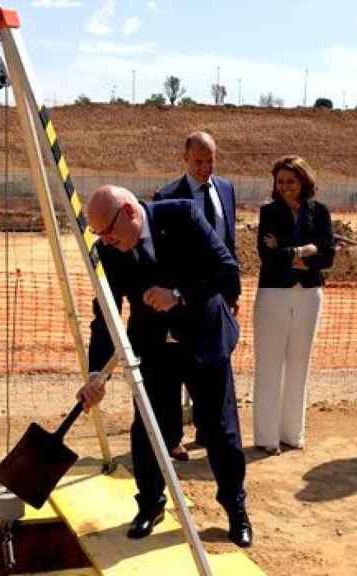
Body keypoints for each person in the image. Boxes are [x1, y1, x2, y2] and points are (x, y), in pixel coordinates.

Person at [77, 185, 252, 548]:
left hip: (204, 336)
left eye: (109, 231)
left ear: (128, 212)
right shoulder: (107, 252)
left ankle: (235, 508)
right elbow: (104, 317)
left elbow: (228, 274)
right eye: (99, 235)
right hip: (154, 348)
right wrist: (96, 374)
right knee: (152, 430)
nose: (106, 241)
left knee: (219, 430)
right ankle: (151, 504)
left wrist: (179, 296)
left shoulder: (183, 216)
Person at [153, 131, 239, 462]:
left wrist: (233, 291)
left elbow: (228, 244)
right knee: (177, 365)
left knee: (215, 360)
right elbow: (162, 254)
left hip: (216, 296)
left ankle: (209, 428)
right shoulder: (168, 195)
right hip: (181, 297)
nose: (205, 167)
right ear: (185, 159)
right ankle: (173, 437)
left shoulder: (226, 190)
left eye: (210, 161)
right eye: (199, 161)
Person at [252, 156, 335, 455]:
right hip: (274, 293)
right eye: (280, 181)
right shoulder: (269, 212)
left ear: (303, 181)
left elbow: (328, 257)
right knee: (269, 364)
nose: (286, 187)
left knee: (299, 363)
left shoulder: (320, 212)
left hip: (309, 293)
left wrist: (289, 253)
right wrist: (305, 251)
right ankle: (266, 437)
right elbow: (267, 255)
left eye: (291, 180)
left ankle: (292, 433)